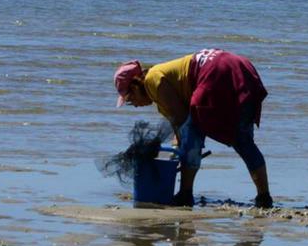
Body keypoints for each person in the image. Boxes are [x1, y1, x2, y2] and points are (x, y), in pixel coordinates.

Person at [114, 49, 272, 208]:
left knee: (191, 133)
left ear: (135, 88)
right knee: (243, 141)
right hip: (241, 67)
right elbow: (178, 127)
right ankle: (264, 197)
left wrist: (184, 153)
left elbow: (183, 120)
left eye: (130, 100)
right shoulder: (160, 84)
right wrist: (176, 153)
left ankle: (185, 194)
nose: (134, 105)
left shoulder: (152, 80)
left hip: (216, 71)